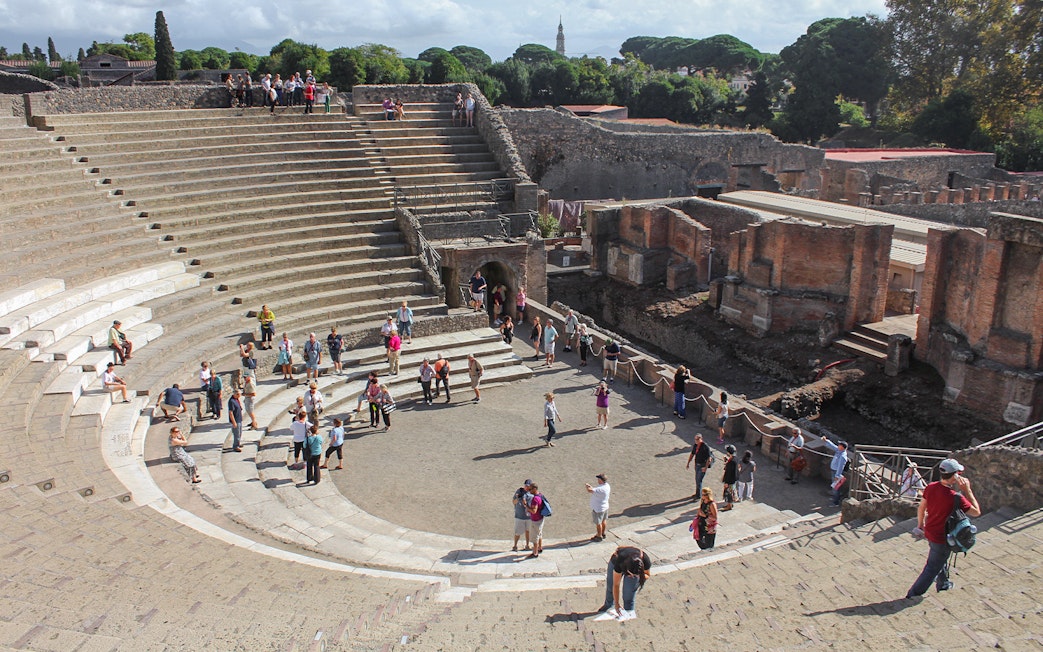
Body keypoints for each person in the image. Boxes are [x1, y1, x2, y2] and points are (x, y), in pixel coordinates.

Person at [906, 459, 980, 598]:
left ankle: (944, 583)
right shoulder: (956, 498)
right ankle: (913, 594)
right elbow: (976, 512)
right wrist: (968, 490)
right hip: (942, 537)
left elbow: (922, 507)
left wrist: (920, 525)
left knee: (939, 557)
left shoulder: (931, 487)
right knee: (932, 567)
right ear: (954, 476)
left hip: (930, 531)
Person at [596, 547, 652, 618]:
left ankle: (629, 613)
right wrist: (617, 604)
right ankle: (608, 604)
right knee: (611, 586)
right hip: (616, 561)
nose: (631, 576)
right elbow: (616, 585)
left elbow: (647, 574)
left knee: (629, 594)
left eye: (634, 574)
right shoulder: (620, 561)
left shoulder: (645, 560)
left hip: (630, 563)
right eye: (630, 574)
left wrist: (639, 577)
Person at [820, 438, 849, 506]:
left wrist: (837, 475)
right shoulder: (839, 451)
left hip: (836, 472)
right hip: (834, 471)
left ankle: (835, 502)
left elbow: (840, 467)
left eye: (839, 445)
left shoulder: (842, 456)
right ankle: (835, 498)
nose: (838, 445)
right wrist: (826, 440)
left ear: (842, 447)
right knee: (835, 487)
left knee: (835, 487)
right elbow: (833, 446)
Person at [685, 433, 712, 498]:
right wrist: (688, 462)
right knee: (697, 480)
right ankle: (698, 493)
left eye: (697, 439)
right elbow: (692, 454)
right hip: (697, 465)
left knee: (699, 480)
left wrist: (705, 467)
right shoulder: (695, 446)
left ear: (701, 439)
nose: (696, 440)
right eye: (695, 439)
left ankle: (698, 495)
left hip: (702, 465)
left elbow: (709, 458)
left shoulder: (705, 446)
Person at [586, 474, 611, 541]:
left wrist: (587, 487)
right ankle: (603, 533)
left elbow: (590, 490)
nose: (597, 480)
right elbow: (594, 490)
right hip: (605, 507)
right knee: (603, 520)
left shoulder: (600, 489)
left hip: (598, 509)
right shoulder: (607, 486)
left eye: (598, 479)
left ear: (601, 480)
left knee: (598, 523)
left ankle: (599, 536)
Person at [512, 479, 533, 552]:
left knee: (528, 531)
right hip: (519, 516)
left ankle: (527, 545)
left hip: (529, 516)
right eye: (526, 485)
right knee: (518, 532)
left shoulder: (532, 493)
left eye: (528, 486)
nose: (526, 487)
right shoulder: (519, 491)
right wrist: (518, 498)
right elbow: (513, 502)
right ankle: (515, 546)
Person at [526, 483, 545, 558]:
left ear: (534, 489)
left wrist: (527, 507)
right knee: (539, 533)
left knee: (535, 537)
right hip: (541, 518)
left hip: (536, 520)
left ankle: (535, 552)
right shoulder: (540, 495)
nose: (529, 491)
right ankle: (540, 548)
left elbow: (534, 511)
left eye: (530, 489)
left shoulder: (535, 499)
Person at [721, 445, 737, 511]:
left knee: (729, 493)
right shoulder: (735, 459)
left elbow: (729, 473)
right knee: (730, 492)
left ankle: (729, 506)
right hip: (733, 480)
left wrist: (726, 482)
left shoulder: (731, 462)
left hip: (730, 480)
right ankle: (729, 504)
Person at [227, 388, 243, 452]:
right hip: (236, 420)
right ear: (235, 394)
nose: (240, 395)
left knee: (240, 433)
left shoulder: (236, 399)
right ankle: (235, 446)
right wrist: (234, 422)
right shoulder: (231, 401)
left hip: (239, 419)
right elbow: (230, 413)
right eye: (239, 394)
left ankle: (238, 443)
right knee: (236, 433)